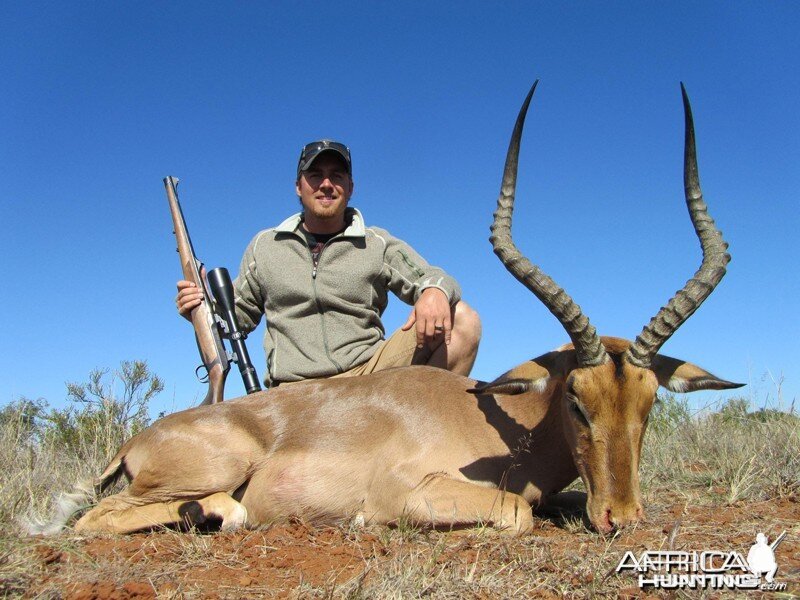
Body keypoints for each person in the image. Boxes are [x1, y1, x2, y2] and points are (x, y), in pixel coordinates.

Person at [176, 139, 481, 388]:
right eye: (315, 175)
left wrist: (434, 291)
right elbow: (237, 320)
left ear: (350, 187)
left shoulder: (377, 243)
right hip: (293, 389)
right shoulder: (264, 246)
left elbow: (435, 276)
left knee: (463, 320)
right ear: (298, 186)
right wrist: (202, 310)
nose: (326, 184)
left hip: (368, 375)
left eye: (337, 176)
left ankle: (421, 440)